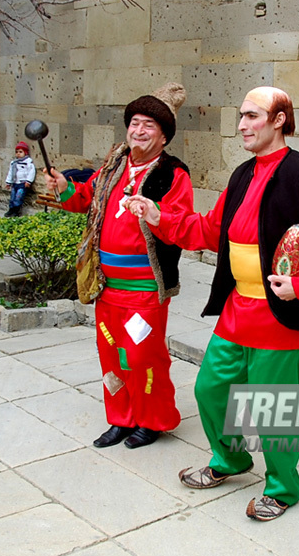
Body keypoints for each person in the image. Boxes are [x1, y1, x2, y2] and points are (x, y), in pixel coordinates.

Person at [126, 86, 299, 520]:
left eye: (252, 116)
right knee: (210, 388)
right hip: (237, 309)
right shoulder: (242, 175)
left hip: (284, 316)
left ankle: (283, 488)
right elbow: (211, 230)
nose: (242, 125)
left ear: (279, 119)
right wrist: (158, 216)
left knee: (276, 411)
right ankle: (230, 460)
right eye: (241, 117)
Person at [44, 82, 193, 449]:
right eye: (135, 123)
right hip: (107, 284)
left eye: (148, 126)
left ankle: (152, 419)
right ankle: (122, 418)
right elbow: (84, 200)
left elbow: (181, 225)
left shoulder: (173, 174)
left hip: (143, 286)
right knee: (111, 352)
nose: (138, 131)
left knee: (142, 354)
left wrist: (155, 214)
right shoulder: (113, 166)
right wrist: (64, 186)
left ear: (163, 137)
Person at [4, 141, 36, 217]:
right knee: (12, 197)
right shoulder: (14, 163)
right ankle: (11, 210)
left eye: (20, 152)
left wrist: (28, 181)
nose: (18, 153)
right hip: (15, 183)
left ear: (25, 152)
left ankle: (16, 211)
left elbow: (31, 172)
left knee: (18, 197)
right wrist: (8, 182)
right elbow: (11, 173)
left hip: (22, 183)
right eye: (17, 152)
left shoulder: (28, 162)